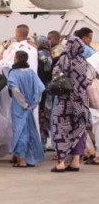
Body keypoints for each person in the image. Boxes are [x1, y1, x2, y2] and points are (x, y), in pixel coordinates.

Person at [51, 36, 89, 173]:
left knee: (62, 129)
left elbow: (56, 75)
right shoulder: (83, 61)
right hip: (81, 100)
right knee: (79, 129)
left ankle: (61, 163)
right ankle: (76, 161)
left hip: (65, 100)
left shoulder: (65, 59)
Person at [7, 51, 46, 167]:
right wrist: (34, 102)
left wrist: (23, 104)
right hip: (29, 108)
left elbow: (15, 90)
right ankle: (27, 158)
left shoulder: (13, 73)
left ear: (17, 59)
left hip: (19, 107)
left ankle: (22, 159)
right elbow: (41, 88)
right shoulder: (31, 73)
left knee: (19, 132)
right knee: (28, 131)